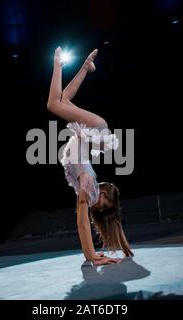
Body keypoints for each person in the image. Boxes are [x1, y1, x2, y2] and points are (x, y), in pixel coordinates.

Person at [47, 46, 134, 266]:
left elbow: (90, 220)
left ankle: (86, 66)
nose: (103, 184)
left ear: (105, 199)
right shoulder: (89, 186)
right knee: (53, 104)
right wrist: (91, 255)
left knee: (63, 99)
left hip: (96, 131)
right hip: (96, 129)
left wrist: (113, 249)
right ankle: (57, 61)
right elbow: (82, 222)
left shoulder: (90, 188)